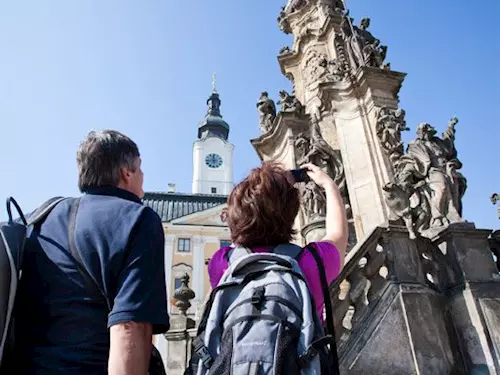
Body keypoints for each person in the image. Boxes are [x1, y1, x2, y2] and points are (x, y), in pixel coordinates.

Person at [11, 130, 170, 375]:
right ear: (126, 172)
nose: (142, 175)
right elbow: (129, 327)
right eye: (139, 168)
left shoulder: (40, 218)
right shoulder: (137, 219)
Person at [208, 162, 348, 319]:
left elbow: (236, 240)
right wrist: (329, 185)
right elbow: (338, 233)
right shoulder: (312, 261)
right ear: (292, 212)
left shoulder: (221, 263)